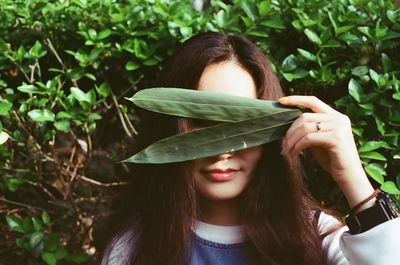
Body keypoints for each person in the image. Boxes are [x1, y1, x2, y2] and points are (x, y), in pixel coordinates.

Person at [101, 32, 400, 265]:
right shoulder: (135, 247)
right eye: (199, 123)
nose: (222, 151)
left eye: (242, 124)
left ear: (273, 128)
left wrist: (352, 178)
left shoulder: (319, 237)